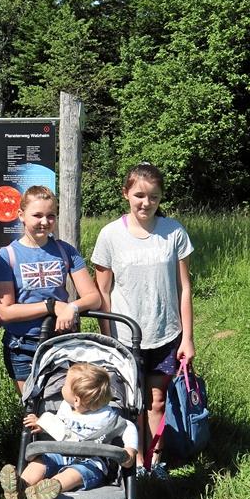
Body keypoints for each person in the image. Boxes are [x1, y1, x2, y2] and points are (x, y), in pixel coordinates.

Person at [91, 163, 195, 478]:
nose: (145, 203)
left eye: (153, 197)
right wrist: (107, 338)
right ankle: (135, 464)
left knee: (157, 402)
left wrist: (187, 338)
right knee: (131, 404)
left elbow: (185, 287)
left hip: (165, 334)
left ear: (161, 198)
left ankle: (157, 461)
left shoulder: (173, 231)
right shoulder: (110, 235)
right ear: (126, 194)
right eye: (139, 195)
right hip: (124, 337)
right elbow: (102, 293)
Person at [0, 185, 101, 393]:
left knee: (64, 406)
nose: (44, 222)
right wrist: (51, 306)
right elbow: (6, 311)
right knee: (33, 411)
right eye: (37, 215)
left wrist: (71, 308)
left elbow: (93, 297)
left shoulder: (65, 251)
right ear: (21, 215)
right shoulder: (7, 256)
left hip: (61, 342)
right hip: (23, 347)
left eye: (51, 216)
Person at [0, 362, 138, 499]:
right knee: (41, 461)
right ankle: (21, 485)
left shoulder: (107, 418)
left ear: (76, 400)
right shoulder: (67, 408)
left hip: (91, 462)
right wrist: (43, 424)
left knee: (75, 473)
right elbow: (62, 427)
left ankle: (49, 488)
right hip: (60, 453)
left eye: (65, 384)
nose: (62, 386)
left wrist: (130, 450)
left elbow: (129, 427)